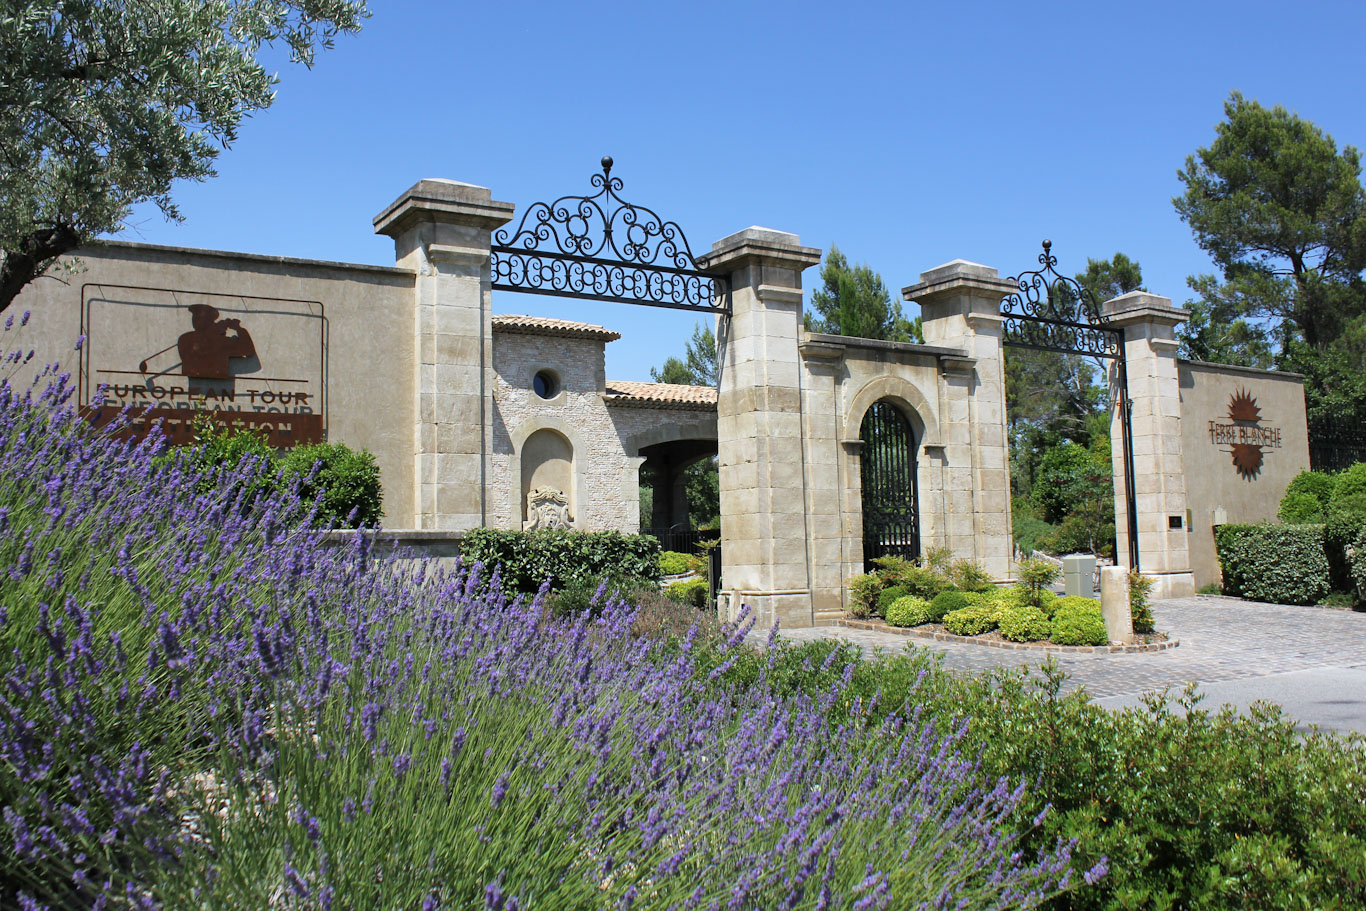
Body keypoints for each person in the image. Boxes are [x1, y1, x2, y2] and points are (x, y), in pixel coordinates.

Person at [177, 304, 255, 379]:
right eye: (195, 318)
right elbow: (248, 349)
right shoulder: (187, 338)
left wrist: (218, 332)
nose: (194, 320)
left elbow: (248, 350)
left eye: (197, 318)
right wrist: (238, 328)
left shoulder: (185, 338)